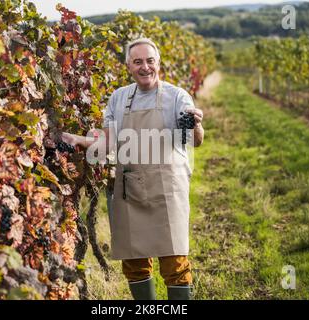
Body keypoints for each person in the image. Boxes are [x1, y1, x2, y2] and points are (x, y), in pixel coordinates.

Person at [61, 38, 204, 300]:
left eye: (150, 61)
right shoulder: (119, 98)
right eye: (138, 61)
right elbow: (107, 144)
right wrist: (79, 141)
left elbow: (195, 140)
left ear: (158, 63)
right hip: (130, 189)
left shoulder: (177, 97)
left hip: (167, 189)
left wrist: (195, 124)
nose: (145, 67)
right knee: (134, 264)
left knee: (175, 262)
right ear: (128, 66)